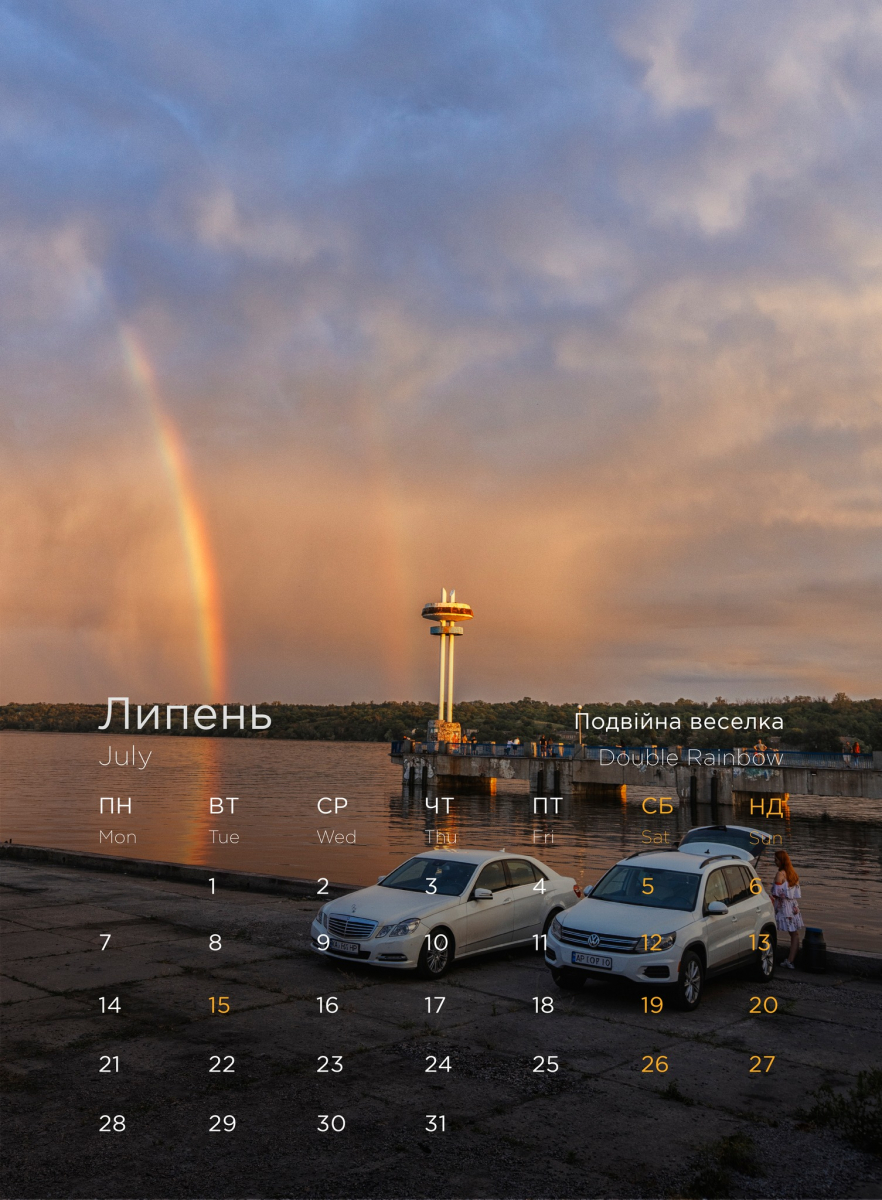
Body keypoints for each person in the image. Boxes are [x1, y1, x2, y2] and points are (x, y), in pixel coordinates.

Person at [771, 850, 804, 968]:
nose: (774, 862)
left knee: (770, 930)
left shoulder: (780, 874)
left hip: (783, 907)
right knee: (794, 934)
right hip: (793, 906)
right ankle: (790, 961)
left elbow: (776, 893)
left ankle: (769, 954)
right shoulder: (793, 874)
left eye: (776, 860)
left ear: (781, 861)